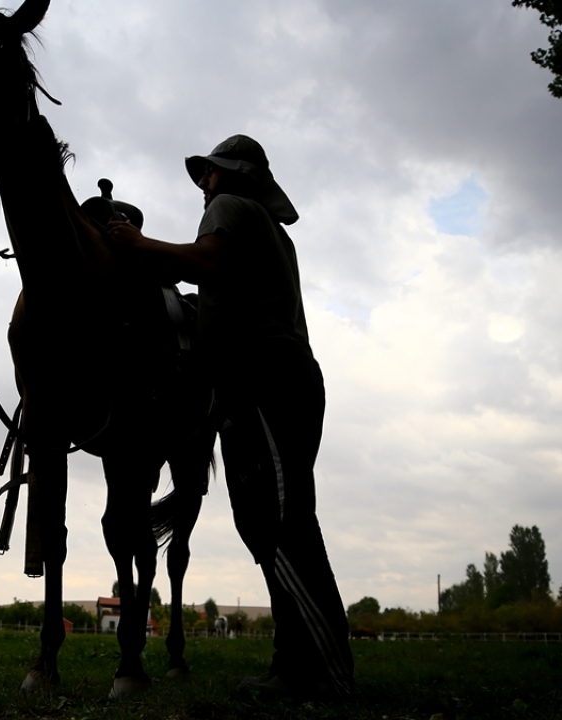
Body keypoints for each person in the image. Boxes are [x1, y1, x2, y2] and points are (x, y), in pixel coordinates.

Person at [107, 135, 355, 698]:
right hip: (269, 382)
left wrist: (137, 244)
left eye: (210, 174)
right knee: (269, 522)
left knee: (279, 525)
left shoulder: (230, 208)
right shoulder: (269, 228)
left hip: (265, 380)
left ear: (232, 174)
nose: (203, 185)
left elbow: (207, 263)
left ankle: (318, 671)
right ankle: (292, 662)